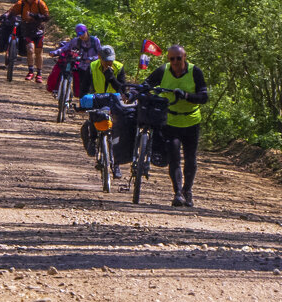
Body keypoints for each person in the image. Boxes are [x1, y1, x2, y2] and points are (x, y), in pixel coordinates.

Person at [143, 44, 209, 207]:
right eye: (171, 59)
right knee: (173, 155)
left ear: (184, 57)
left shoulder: (195, 72)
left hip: (191, 121)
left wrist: (186, 96)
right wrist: (142, 91)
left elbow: (204, 97)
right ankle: (178, 192)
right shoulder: (163, 70)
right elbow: (148, 83)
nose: (175, 62)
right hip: (170, 121)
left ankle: (188, 190)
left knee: (190, 158)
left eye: (178, 58)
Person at [86, 45, 127, 178]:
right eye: (106, 60)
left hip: (114, 102)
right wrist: (83, 100)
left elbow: (122, 89)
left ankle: (116, 165)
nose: (109, 63)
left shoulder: (119, 67)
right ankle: (93, 141)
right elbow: (84, 86)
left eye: (111, 60)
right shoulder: (92, 67)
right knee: (92, 119)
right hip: (97, 100)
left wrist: (111, 77)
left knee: (117, 132)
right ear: (99, 57)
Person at [5, 0, 50, 82]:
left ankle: (39, 73)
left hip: (38, 29)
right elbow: (12, 11)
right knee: (30, 50)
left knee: (38, 52)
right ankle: (30, 71)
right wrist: (5, 16)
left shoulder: (40, 3)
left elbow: (47, 17)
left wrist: (34, 16)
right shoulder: (22, 3)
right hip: (27, 29)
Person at [46, 23, 102, 96]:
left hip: (93, 66)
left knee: (93, 85)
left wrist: (92, 58)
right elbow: (65, 47)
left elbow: (100, 54)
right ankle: (82, 101)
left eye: (82, 33)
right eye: (79, 34)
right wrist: (55, 52)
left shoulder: (95, 41)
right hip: (81, 65)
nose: (81, 36)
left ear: (86, 31)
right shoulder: (76, 41)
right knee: (81, 86)